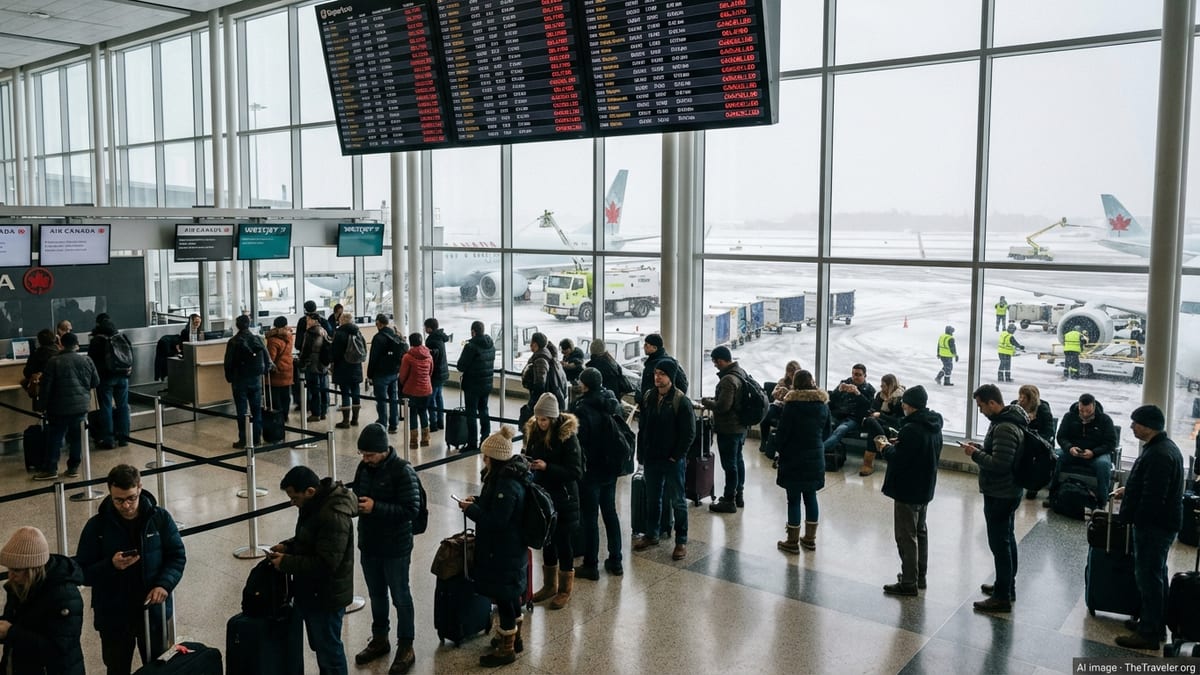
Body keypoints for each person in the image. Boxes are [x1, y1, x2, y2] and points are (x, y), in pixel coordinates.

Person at [75, 464, 186, 674]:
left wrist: (164, 584)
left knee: (158, 667)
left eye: (131, 498)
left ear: (140, 488)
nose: (126, 505)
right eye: (119, 500)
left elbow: (176, 556)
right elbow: (81, 571)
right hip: (113, 615)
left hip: (152, 611)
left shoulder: (160, 518)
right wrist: (110, 565)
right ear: (109, 493)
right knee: (117, 668)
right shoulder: (96, 526)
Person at [269, 465, 357, 675]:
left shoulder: (332, 515)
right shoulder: (313, 506)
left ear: (310, 491)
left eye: (295, 497)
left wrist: (287, 562)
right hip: (314, 593)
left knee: (329, 651)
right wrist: (288, 546)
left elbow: (326, 564)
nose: (292, 502)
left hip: (327, 596)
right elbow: (311, 541)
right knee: (322, 647)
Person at [349, 424, 422, 674]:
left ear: (383, 451)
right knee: (377, 594)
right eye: (362, 454)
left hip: (396, 547)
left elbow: (411, 509)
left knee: (401, 596)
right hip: (369, 543)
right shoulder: (364, 467)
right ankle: (380, 638)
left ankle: (406, 645)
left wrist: (376, 507)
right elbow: (358, 492)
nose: (365, 459)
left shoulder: (403, 471)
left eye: (369, 455)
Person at [1112, 404, 1185, 650]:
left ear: (1148, 426)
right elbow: (1148, 485)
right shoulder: (1163, 448)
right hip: (1161, 525)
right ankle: (1153, 621)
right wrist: (1129, 489)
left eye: (1135, 423)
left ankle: (1149, 633)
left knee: (1149, 577)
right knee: (1156, 575)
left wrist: (1135, 518)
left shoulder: (1159, 455)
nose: (1131, 427)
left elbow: (1154, 498)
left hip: (1154, 528)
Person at [459, 427, 529, 668]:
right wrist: (477, 502)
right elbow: (496, 510)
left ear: (494, 458)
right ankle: (513, 637)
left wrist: (472, 510)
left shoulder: (506, 485)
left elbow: (498, 522)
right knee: (510, 596)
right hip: (508, 550)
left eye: (485, 456)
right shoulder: (505, 477)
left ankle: (506, 649)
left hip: (503, 551)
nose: (483, 459)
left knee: (505, 598)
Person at [873, 386, 941, 595]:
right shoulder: (933, 425)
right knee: (920, 532)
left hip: (907, 488)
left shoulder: (912, 429)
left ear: (910, 406)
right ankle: (920, 576)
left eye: (904, 405)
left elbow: (899, 460)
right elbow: (917, 451)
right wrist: (899, 445)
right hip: (925, 487)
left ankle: (909, 582)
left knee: (906, 536)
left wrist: (885, 447)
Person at [965, 384, 1026, 613]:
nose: (980, 411)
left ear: (992, 403)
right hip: (1007, 491)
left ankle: (1002, 597)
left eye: (981, 406)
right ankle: (1006, 585)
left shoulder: (1004, 427)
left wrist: (975, 454)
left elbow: (1000, 464)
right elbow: (1001, 454)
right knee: (1006, 540)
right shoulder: (1009, 422)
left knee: (1000, 545)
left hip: (1001, 492)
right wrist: (981, 448)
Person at [524, 393, 583, 609]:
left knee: (563, 543)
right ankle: (549, 584)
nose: (541, 423)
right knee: (546, 540)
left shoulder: (567, 437)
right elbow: (528, 453)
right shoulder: (534, 431)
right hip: (543, 497)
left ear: (553, 418)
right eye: (538, 418)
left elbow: (575, 471)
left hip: (564, 498)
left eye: (545, 419)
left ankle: (564, 589)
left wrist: (547, 467)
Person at [633, 360, 696, 561]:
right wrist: (641, 452)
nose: (657, 377)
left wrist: (675, 456)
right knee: (652, 498)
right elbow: (643, 428)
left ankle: (681, 540)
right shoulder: (649, 396)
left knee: (678, 501)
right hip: (652, 458)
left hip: (672, 461)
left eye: (662, 374)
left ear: (671, 377)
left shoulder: (681, 401)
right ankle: (652, 534)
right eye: (655, 373)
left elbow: (689, 434)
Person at [0, 526, 85, 674]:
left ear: (34, 569)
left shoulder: (65, 596)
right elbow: (16, 622)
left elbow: (57, 649)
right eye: (9, 569)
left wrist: (11, 632)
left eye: (17, 570)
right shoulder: (18, 586)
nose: (11, 576)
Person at [570, 367, 625, 578]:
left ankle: (591, 564)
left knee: (591, 518)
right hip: (610, 468)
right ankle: (616, 560)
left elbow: (579, 442)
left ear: (585, 385)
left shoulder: (581, 408)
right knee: (610, 513)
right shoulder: (612, 402)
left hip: (591, 470)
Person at [765, 370, 829, 553]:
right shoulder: (823, 405)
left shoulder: (791, 406)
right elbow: (827, 432)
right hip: (815, 456)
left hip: (793, 457)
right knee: (811, 497)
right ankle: (810, 539)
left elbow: (783, 434)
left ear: (796, 385)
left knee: (793, 499)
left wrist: (779, 450)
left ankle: (792, 541)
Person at [33, 331, 99, 480]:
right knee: (76, 438)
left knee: (55, 438)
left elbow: (46, 388)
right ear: (76, 344)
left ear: (61, 344)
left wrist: (41, 406)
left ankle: (51, 469)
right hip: (81, 407)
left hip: (58, 408)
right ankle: (73, 468)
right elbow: (95, 382)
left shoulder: (53, 362)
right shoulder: (87, 360)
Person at [702, 346, 751, 513]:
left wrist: (706, 402)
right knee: (738, 461)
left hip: (729, 428)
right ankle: (739, 495)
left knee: (730, 465)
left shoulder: (728, 380)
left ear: (721, 360)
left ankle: (729, 499)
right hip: (741, 427)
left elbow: (723, 406)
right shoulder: (741, 373)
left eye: (715, 362)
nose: (715, 365)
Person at [1047, 393, 1117, 508]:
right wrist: (1069, 447)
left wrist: (1094, 452)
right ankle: (1052, 494)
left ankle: (1102, 501)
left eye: (1088, 411)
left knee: (1103, 465)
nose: (1084, 414)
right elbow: (1061, 437)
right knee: (1054, 458)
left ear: (1094, 407)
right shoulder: (1069, 416)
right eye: (1081, 410)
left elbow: (1110, 443)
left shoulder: (1105, 420)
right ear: (1078, 406)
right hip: (1072, 452)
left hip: (1096, 454)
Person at [223, 314, 272, 449]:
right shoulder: (256, 339)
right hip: (255, 379)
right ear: (249, 324)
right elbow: (266, 357)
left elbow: (228, 362)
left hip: (239, 381)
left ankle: (243, 440)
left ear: (237, 325)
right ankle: (256, 439)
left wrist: (229, 377)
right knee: (257, 410)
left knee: (242, 411)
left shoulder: (233, 341)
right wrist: (264, 371)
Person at [87, 314, 132, 449]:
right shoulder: (120, 337)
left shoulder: (96, 340)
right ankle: (124, 438)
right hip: (122, 376)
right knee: (123, 406)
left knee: (106, 407)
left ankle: (109, 440)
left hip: (105, 378)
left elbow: (91, 361)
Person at [456, 321, 497, 450]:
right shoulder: (491, 344)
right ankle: (485, 439)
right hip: (486, 383)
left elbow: (461, 366)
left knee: (471, 413)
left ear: (473, 331)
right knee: (484, 410)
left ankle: (472, 442)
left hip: (472, 385)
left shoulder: (471, 346)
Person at [859, 373, 905, 477]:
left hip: (891, 425)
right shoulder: (880, 396)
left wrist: (881, 415)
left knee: (872, 428)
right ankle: (883, 442)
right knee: (872, 422)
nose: (881, 388)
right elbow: (873, 408)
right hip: (879, 423)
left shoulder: (899, 399)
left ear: (890, 386)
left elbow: (897, 421)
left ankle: (868, 463)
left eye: (883, 385)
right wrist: (872, 412)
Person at [823, 363, 876, 453]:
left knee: (840, 430)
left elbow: (868, 407)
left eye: (859, 375)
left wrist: (858, 393)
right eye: (854, 374)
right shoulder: (845, 382)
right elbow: (830, 400)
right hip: (838, 414)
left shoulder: (869, 389)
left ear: (865, 376)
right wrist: (838, 391)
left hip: (854, 418)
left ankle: (819, 451)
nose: (855, 377)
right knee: (821, 423)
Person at [1014, 384, 1055, 500]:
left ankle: (1032, 485)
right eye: (1020, 396)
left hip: (1038, 440)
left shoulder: (1042, 409)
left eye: (1024, 397)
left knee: (1034, 453)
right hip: (1021, 439)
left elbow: (1048, 431)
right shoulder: (1015, 406)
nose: (1020, 400)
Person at [368, 314, 406, 433]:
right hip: (394, 372)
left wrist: (369, 374)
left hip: (380, 373)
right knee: (393, 398)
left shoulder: (378, 338)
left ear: (379, 323)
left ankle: (383, 423)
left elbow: (373, 358)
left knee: (381, 400)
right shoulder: (396, 336)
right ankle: (394, 424)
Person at [520, 332, 566, 424]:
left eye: (531, 343)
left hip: (541, 398)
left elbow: (540, 383)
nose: (530, 345)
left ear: (535, 344)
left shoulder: (540, 359)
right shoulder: (546, 354)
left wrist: (534, 403)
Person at [295, 300, 332, 412]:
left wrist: (301, 358)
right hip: (324, 359)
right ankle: (324, 407)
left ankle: (310, 406)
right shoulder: (324, 322)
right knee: (324, 384)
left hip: (311, 360)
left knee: (312, 385)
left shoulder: (303, 323)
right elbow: (331, 336)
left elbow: (299, 343)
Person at [400, 333, 433, 449]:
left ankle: (413, 441)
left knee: (413, 413)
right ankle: (425, 439)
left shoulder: (407, 357)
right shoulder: (429, 356)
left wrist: (404, 384)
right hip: (426, 389)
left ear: (410, 342)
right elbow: (430, 372)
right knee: (423, 412)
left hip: (411, 390)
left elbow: (403, 375)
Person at [331, 313, 365, 429]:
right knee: (356, 392)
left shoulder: (340, 334)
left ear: (342, 321)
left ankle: (345, 421)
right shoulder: (357, 332)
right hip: (356, 366)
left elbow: (335, 352)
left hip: (343, 366)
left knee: (345, 393)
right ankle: (355, 419)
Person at [760, 359, 801, 446]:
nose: (791, 374)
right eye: (789, 371)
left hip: (792, 408)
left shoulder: (801, 383)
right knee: (766, 415)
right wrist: (780, 393)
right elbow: (774, 394)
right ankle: (764, 441)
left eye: (793, 372)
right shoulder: (783, 381)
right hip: (779, 406)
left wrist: (789, 393)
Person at [638, 333, 688, 404]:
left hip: (658, 405)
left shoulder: (662, 364)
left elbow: (682, 385)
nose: (644, 347)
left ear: (654, 348)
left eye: (646, 345)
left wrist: (668, 402)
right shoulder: (665, 361)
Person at [300, 314, 332, 422]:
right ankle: (323, 411)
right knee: (323, 388)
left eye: (308, 319)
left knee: (314, 389)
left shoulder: (310, 333)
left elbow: (306, 350)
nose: (307, 321)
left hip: (313, 363)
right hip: (323, 363)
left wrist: (302, 362)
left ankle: (316, 413)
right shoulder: (323, 330)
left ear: (314, 320)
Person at [423, 317, 450, 432]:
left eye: (425, 327)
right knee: (439, 397)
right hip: (443, 372)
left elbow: (431, 358)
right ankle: (440, 421)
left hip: (435, 373)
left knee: (431, 399)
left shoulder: (431, 340)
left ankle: (433, 423)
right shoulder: (440, 337)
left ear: (429, 328)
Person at [265, 315, 295, 419]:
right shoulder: (290, 335)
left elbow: (271, 358)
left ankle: (278, 416)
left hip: (277, 371)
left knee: (275, 396)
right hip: (288, 368)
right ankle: (285, 415)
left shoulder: (273, 341)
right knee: (286, 395)